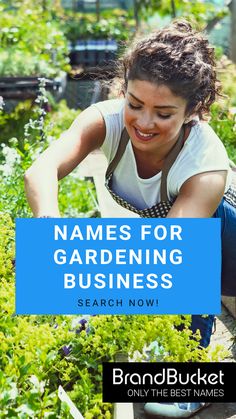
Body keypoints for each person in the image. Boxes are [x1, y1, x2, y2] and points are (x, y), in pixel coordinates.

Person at [24, 19, 236, 418]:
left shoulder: (205, 161)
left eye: (163, 113)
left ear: (193, 111)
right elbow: (39, 171)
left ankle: (193, 375)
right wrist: (50, 237)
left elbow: (174, 254)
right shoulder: (107, 120)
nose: (143, 122)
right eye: (135, 104)